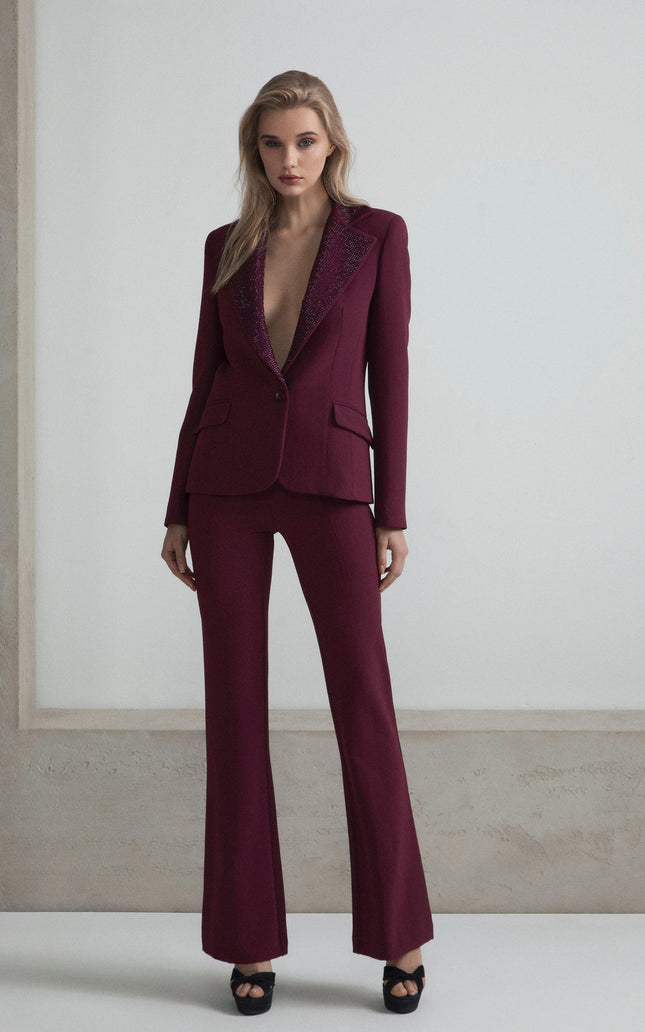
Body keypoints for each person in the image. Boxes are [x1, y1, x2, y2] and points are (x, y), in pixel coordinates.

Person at [160, 69, 434, 1016]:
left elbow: (387, 375)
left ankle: (399, 933)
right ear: (254, 149)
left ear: (333, 145)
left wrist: (389, 510)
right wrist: (177, 505)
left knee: (363, 701)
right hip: (227, 488)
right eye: (271, 144)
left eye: (303, 142)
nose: (287, 160)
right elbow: (203, 383)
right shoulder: (223, 248)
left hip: (330, 487)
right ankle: (247, 944)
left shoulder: (376, 237)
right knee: (233, 710)